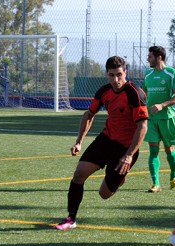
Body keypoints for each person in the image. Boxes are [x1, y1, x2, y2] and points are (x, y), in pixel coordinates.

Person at [54, 56, 148, 230]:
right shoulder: (104, 91)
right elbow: (88, 114)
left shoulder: (134, 93)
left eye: (119, 75)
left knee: (104, 194)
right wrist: (79, 142)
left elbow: (142, 126)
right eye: (111, 75)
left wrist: (129, 155)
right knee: (78, 174)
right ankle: (71, 219)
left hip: (125, 149)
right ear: (107, 75)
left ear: (125, 72)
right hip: (106, 140)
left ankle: (119, 179)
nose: (116, 80)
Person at [142, 46, 175, 193]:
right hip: (151, 119)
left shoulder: (172, 74)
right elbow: (143, 94)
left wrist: (162, 105)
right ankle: (156, 183)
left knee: (169, 150)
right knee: (153, 151)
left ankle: (173, 176)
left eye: (150, 56)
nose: (148, 58)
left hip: (167, 118)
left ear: (159, 57)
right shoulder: (148, 74)